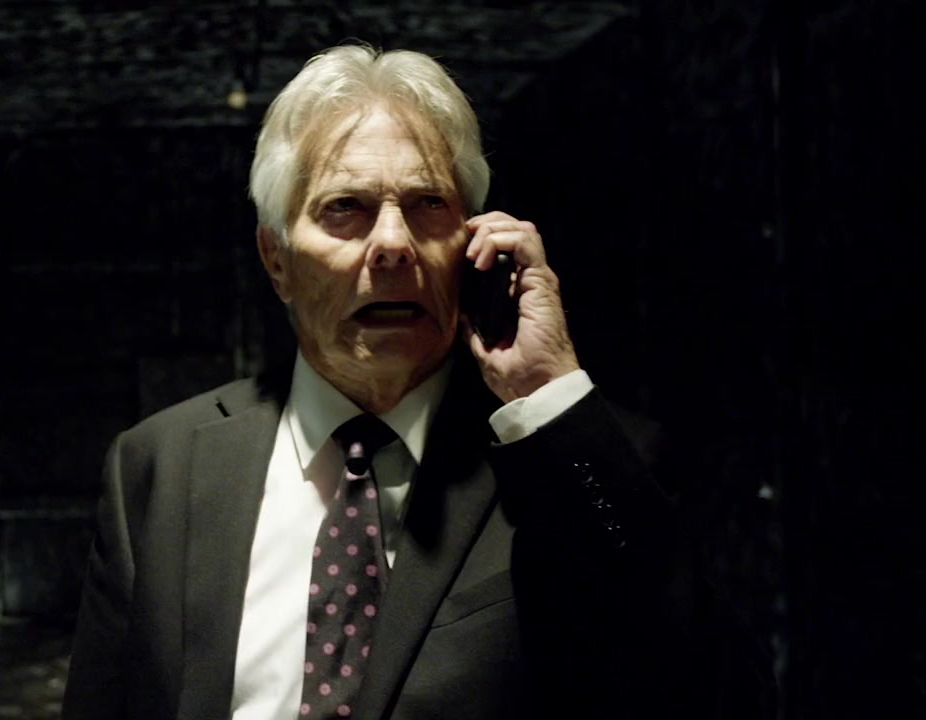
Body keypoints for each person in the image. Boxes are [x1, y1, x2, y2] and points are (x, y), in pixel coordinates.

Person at [63, 45, 773, 720]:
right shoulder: (159, 466)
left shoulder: (576, 455)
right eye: (346, 208)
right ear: (276, 260)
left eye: (429, 204)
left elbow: (714, 692)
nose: (394, 244)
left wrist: (548, 392)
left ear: (474, 240)